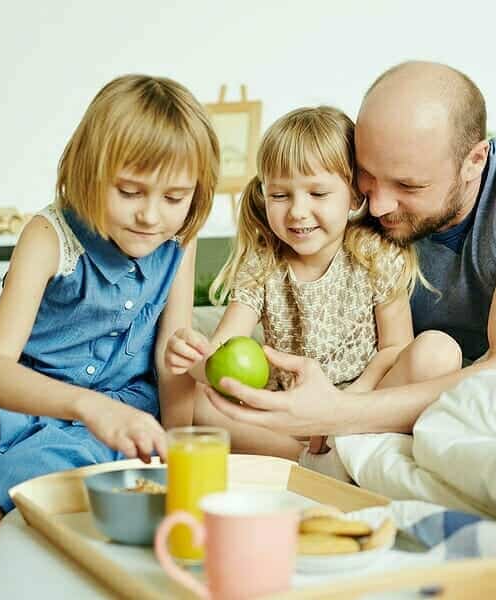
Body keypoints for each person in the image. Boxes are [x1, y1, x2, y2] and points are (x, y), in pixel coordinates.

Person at [203, 60, 496, 443]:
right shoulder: (366, 224)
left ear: (475, 161)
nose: (376, 206)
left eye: (409, 186)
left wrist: (334, 412)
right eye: (367, 178)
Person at [0, 74, 219, 600]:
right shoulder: (49, 237)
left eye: (174, 197)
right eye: (130, 191)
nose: (150, 214)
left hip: (114, 426)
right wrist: (88, 406)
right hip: (24, 417)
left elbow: (171, 363)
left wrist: (176, 454)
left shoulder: (177, 243)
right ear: (89, 172)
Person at [163, 106, 462, 470]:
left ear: (354, 196)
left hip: (361, 406)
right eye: (280, 195)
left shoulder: (374, 254)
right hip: (286, 417)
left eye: (317, 194)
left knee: (438, 352)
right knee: (198, 400)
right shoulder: (264, 263)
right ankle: (312, 462)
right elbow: (223, 351)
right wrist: (194, 359)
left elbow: (395, 348)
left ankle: (339, 449)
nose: (297, 212)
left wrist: (345, 406)